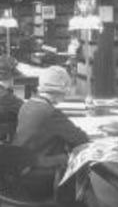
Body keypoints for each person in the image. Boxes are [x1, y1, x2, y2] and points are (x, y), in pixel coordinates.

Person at [11, 65, 89, 200]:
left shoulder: (27, 105)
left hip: (19, 170)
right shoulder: (50, 113)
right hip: (37, 178)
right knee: (76, 161)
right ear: (61, 90)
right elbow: (81, 138)